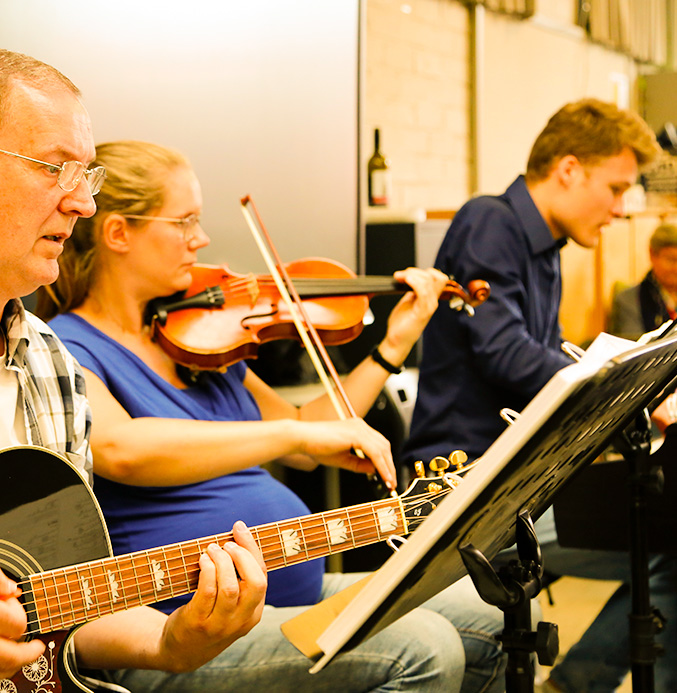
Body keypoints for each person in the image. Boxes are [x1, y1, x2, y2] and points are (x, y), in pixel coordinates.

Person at [36, 138, 508, 693]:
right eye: (185, 222)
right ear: (119, 233)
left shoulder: (200, 340)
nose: (203, 239)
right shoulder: (67, 346)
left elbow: (309, 434)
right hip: (182, 622)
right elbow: (123, 449)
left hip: (290, 591)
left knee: (489, 615)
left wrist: (393, 346)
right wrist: (288, 432)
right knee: (422, 648)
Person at [0, 49, 268, 688]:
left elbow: (65, 602)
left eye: (85, 176)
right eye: (54, 168)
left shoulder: (48, 366)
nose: (83, 205)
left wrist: (174, 641)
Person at [402, 98, 677, 692]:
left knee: (668, 537)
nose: (620, 208)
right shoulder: (490, 221)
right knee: (667, 550)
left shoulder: (546, 247)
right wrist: (633, 397)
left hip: (523, 479)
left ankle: (571, 683)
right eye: (616, 187)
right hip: (468, 485)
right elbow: (507, 353)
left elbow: (538, 360)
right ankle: (572, 685)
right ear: (570, 169)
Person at [609, 222, 677, 340]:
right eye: (671, 260)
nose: (676, 268)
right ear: (652, 255)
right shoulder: (628, 301)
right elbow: (632, 349)